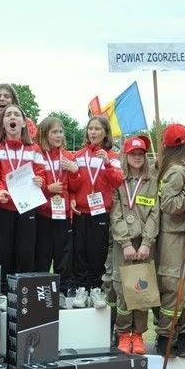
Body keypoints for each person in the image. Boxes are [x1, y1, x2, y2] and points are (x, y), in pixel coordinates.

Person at [154, 123, 185, 357]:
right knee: (173, 287)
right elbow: (169, 205)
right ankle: (165, 335)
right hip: (174, 235)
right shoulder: (176, 171)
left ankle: (184, 334)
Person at [0, 104, 44, 290]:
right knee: (4, 251)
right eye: (8, 115)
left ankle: (24, 291)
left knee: (26, 251)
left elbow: (42, 173)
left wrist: (40, 180)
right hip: (5, 207)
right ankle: (2, 292)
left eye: (17, 114)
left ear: (24, 123)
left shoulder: (34, 149)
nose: (12, 117)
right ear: (3, 123)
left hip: (27, 207)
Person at [110, 135, 159, 354]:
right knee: (122, 290)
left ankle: (138, 334)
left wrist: (147, 242)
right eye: (133, 154)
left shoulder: (152, 181)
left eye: (141, 154)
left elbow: (155, 213)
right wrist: (126, 243)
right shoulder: (117, 180)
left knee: (141, 290)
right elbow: (115, 213)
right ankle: (122, 333)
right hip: (124, 246)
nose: (137, 158)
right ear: (126, 156)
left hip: (144, 245)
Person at [69, 116, 124, 308]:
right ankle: (81, 289)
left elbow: (118, 181)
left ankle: (96, 288)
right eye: (90, 128)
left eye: (97, 129)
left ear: (105, 133)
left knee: (97, 252)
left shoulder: (114, 157)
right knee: (80, 251)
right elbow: (72, 184)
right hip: (81, 212)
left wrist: (107, 163)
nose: (92, 132)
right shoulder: (78, 155)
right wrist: (72, 198)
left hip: (100, 211)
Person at [34, 116, 77, 295]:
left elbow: (74, 187)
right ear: (45, 134)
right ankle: (41, 292)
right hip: (43, 213)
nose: (58, 135)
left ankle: (63, 291)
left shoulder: (68, 156)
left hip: (63, 214)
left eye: (60, 131)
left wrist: (74, 172)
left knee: (64, 255)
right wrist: (47, 188)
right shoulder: (38, 155)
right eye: (54, 132)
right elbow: (32, 183)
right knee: (42, 255)